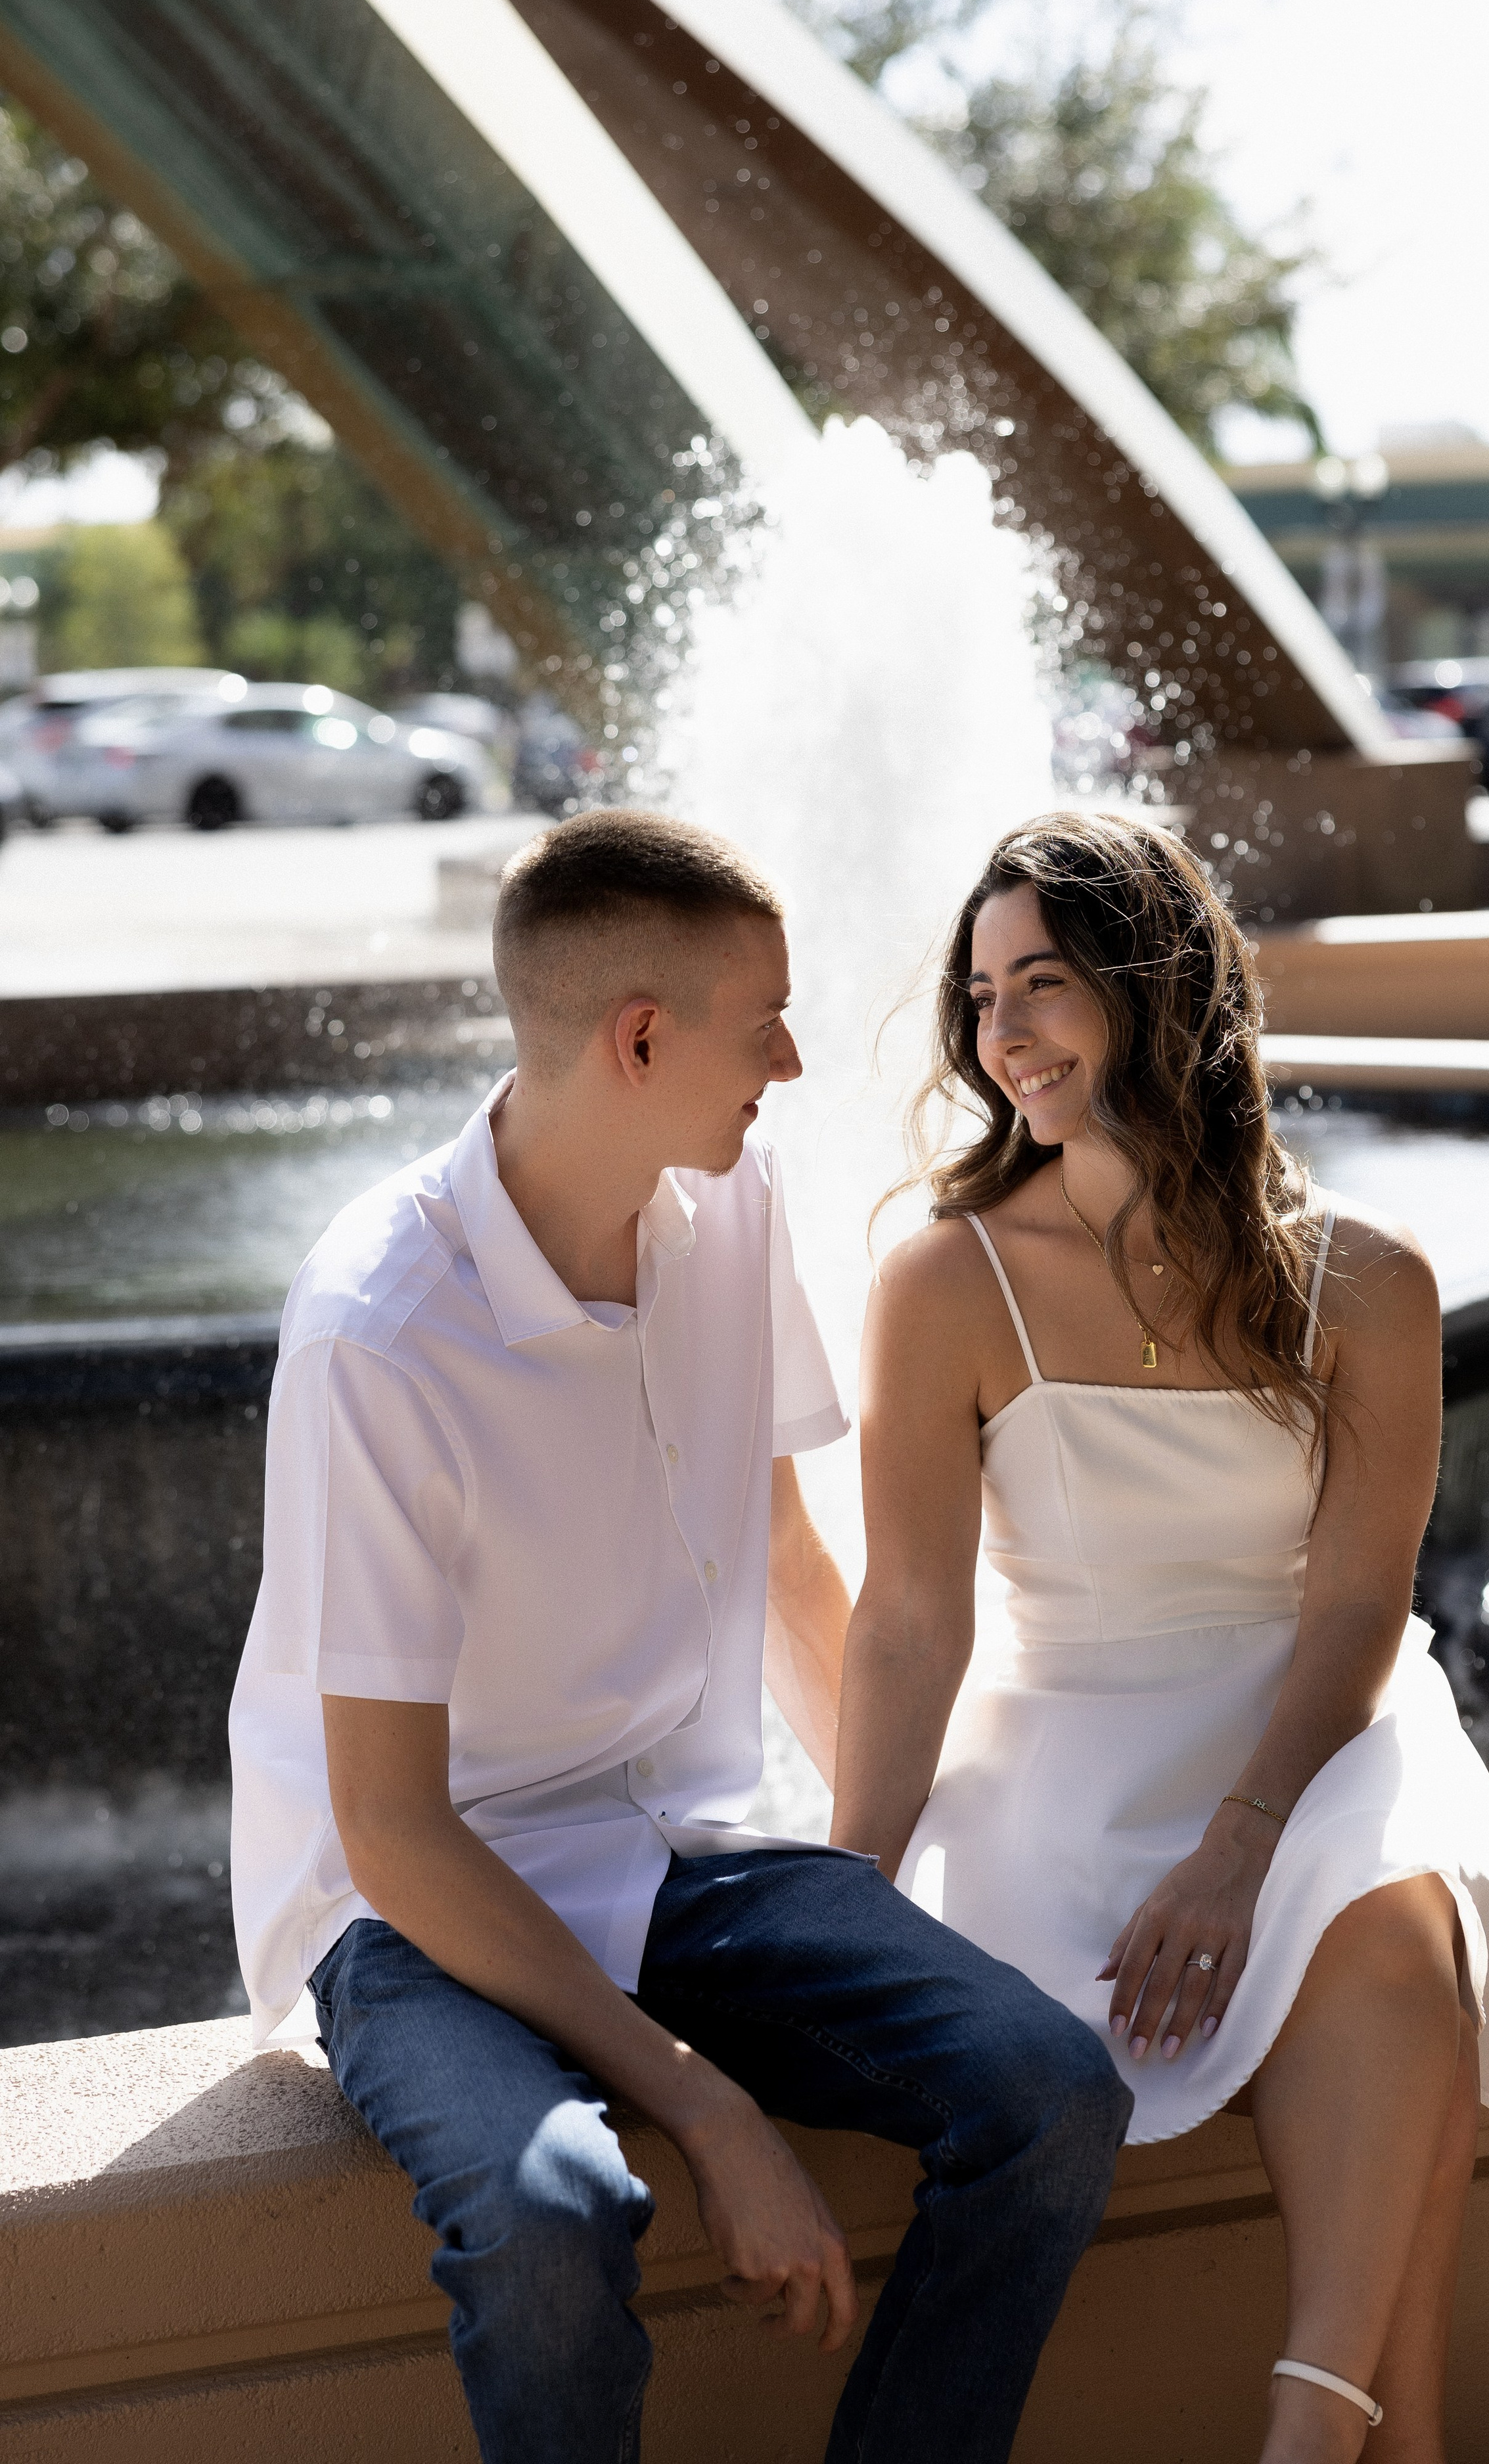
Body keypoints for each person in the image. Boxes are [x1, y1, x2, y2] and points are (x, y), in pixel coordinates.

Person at [229, 809, 1127, 2464]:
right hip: (421, 1908)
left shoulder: (733, 1196)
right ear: (639, 1039)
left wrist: (874, 1869)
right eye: (761, 1021)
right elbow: (391, 1828)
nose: (790, 1060)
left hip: (667, 1852)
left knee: (1050, 2090)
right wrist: (710, 2108)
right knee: (556, 2211)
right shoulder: (382, 1333)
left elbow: (789, 1564)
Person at [831, 808, 1489, 2462]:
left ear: (1154, 996)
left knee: (1384, 1908)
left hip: (1311, 1729)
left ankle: (1305, 2437)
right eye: (980, 992)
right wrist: (835, 1899)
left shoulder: (1366, 1281)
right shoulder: (944, 1282)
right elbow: (912, 1619)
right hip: (1063, 1755)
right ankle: (1383, 2436)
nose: (1000, 1031)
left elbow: (1359, 1604)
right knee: (1409, 1987)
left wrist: (1239, 1843)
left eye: (1046, 982)